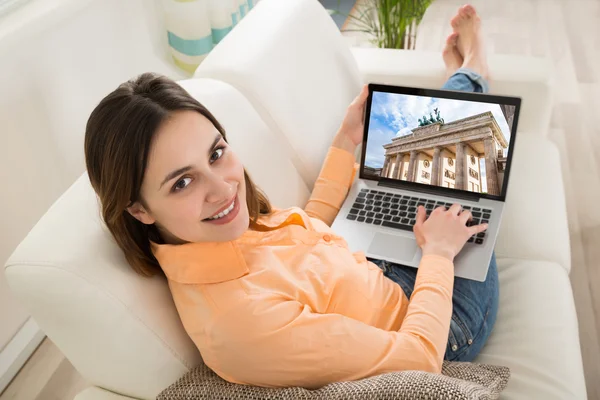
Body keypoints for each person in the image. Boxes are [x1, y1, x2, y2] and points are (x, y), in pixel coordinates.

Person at [84, 4, 498, 389]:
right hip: (436, 325)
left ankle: (462, 77)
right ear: (139, 209)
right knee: (473, 176)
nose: (223, 187)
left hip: (373, 268)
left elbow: (309, 238)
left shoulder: (213, 233)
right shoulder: (240, 322)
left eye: (215, 153)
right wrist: (439, 254)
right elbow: (420, 360)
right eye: (182, 183)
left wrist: (344, 143)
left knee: (425, 148)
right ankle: (473, 69)